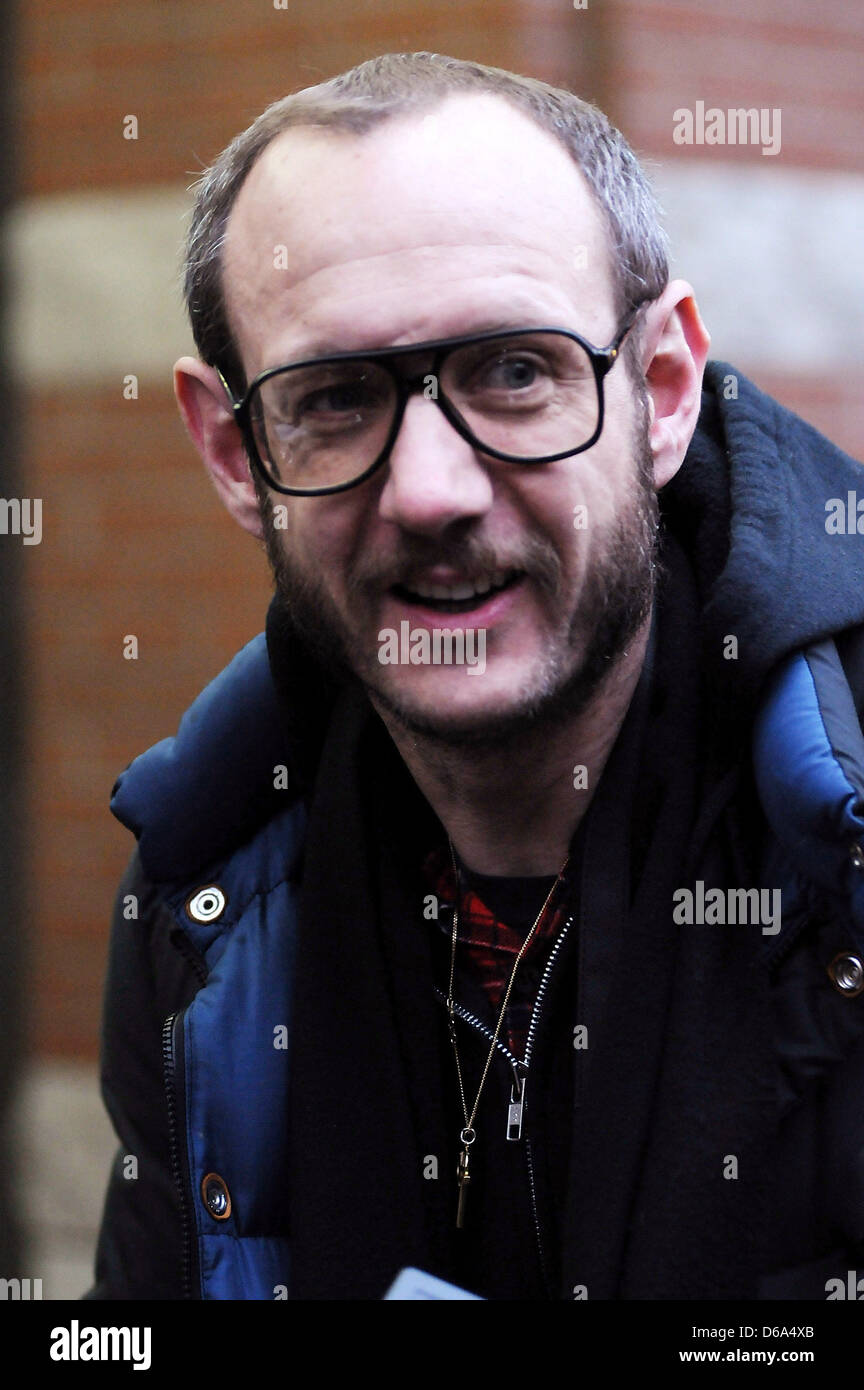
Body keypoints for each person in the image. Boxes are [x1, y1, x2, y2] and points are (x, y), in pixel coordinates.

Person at [87, 51, 864, 1302]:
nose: (431, 492)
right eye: (333, 400)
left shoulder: (841, 840)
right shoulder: (204, 891)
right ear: (236, 454)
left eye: (513, 372)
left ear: (661, 390)